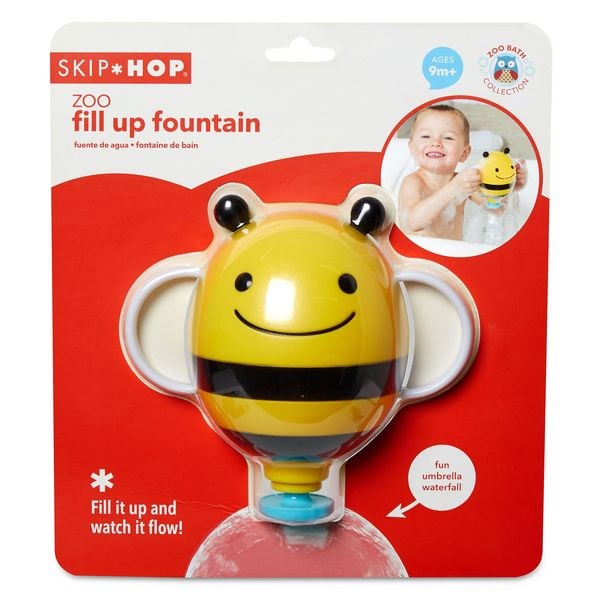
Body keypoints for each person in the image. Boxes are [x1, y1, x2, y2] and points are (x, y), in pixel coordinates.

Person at [397, 104, 527, 241]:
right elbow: (413, 222)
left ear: (464, 153)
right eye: (425, 136)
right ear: (412, 148)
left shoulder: (463, 183)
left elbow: (495, 210)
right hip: (416, 251)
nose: (435, 142)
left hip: (455, 251)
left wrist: (508, 187)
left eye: (448, 138)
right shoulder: (413, 182)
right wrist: (453, 189)